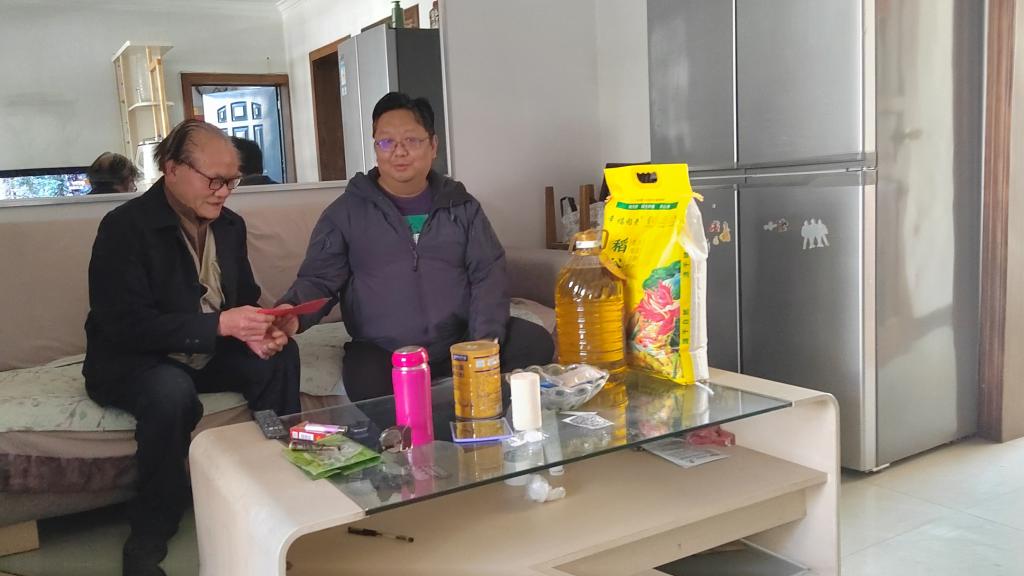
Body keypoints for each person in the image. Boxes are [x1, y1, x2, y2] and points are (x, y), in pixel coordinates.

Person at [83, 119, 301, 575]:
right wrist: (220, 325)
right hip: (135, 359)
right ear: (172, 169)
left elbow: (242, 296)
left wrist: (260, 328)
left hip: (205, 350)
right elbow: (124, 325)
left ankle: (277, 481)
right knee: (170, 392)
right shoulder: (124, 228)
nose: (224, 193)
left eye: (232, 181)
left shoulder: (231, 226)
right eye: (214, 180)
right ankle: (152, 526)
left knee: (281, 356)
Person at [276, 92, 554, 401]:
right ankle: (428, 423)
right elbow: (319, 279)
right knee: (365, 381)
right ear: (375, 148)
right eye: (386, 142)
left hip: (459, 341)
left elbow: (488, 274)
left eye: (411, 140)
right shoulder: (345, 213)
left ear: (433, 146)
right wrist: (293, 312)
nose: (399, 152)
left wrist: (483, 341)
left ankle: (471, 413)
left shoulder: (462, 207)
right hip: (383, 350)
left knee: (534, 342)